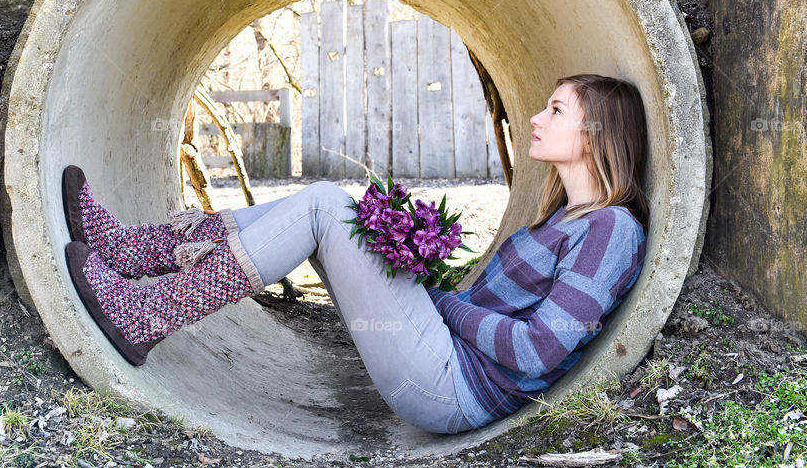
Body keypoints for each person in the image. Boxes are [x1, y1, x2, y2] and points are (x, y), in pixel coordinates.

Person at [62, 72, 648, 435]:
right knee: (331, 213)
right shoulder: (567, 217)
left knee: (323, 204)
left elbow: (540, 347)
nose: (533, 117)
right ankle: (130, 252)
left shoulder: (611, 231)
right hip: (442, 358)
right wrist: (416, 273)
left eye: (555, 111)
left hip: (452, 388)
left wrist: (443, 306)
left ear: (595, 134)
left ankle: (146, 310)